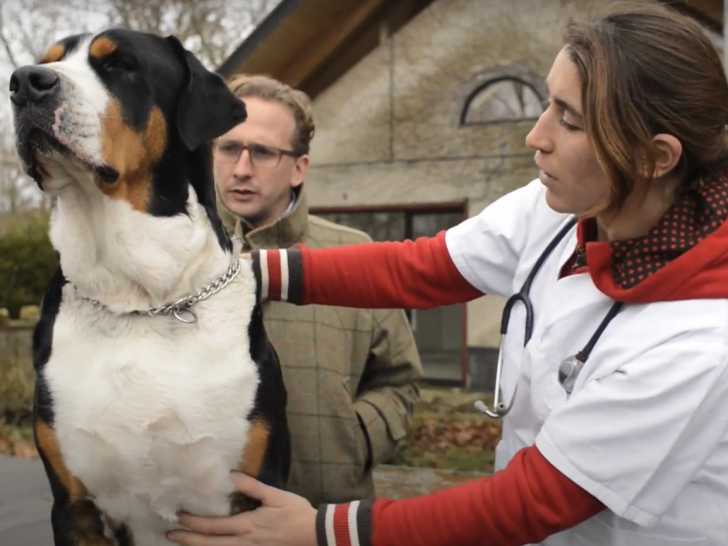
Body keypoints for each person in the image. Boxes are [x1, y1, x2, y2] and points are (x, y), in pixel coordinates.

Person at [168, 2, 728, 545]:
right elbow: (424, 269)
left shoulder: (698, 341)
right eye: (547, 103)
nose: (536, 136)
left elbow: (531, 503)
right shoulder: (569, 204)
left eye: (571, 120)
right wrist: (243, 273)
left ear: (655, 157)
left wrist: (323, 531)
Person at [212, 74, 423, 506]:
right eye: (229, 148)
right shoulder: (176, 255)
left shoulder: (355, 256)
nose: (242, 169)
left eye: (263, 152)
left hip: (323, 518)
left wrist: (353, 440)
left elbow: (399, 381)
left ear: (299, 168)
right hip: (203, 519)